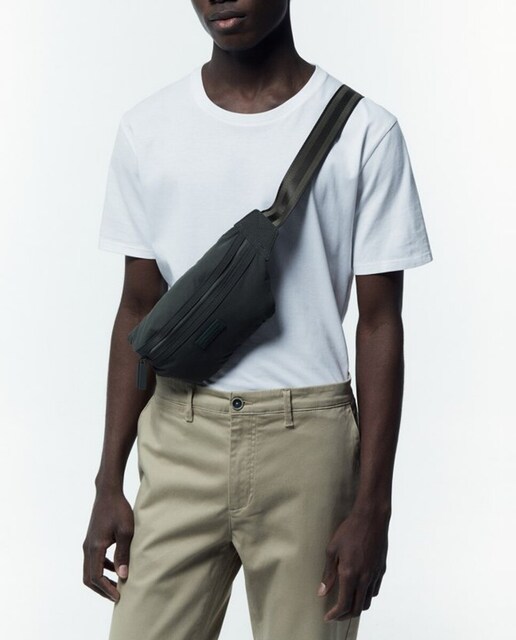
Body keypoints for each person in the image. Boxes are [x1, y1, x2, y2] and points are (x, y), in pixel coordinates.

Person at [82, 1, 433, 639]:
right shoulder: (148, 128)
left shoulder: (365, 130)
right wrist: (109, 480)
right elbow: (137, 307)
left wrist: (373, 506)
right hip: (179, 431)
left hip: (309, 443)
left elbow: (381, 323)